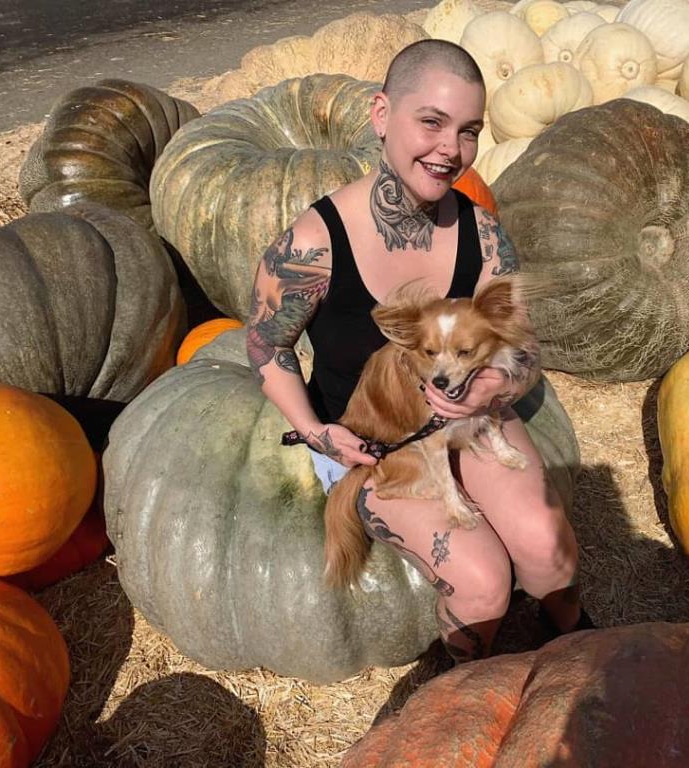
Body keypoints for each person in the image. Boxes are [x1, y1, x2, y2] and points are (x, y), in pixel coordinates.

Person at [246, 39, 591, 664]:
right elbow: (266, 346)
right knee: (483, 584)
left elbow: (525, 348)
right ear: (382, 115)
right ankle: (467, 684)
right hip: (378, 436)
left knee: (548, 548)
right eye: (431, 122)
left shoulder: (483, 234)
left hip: (475, 415)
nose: (450, 149)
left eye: (469, 131)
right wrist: (318, 433)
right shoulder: (315, 241)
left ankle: (576, 640)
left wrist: (496, 386)